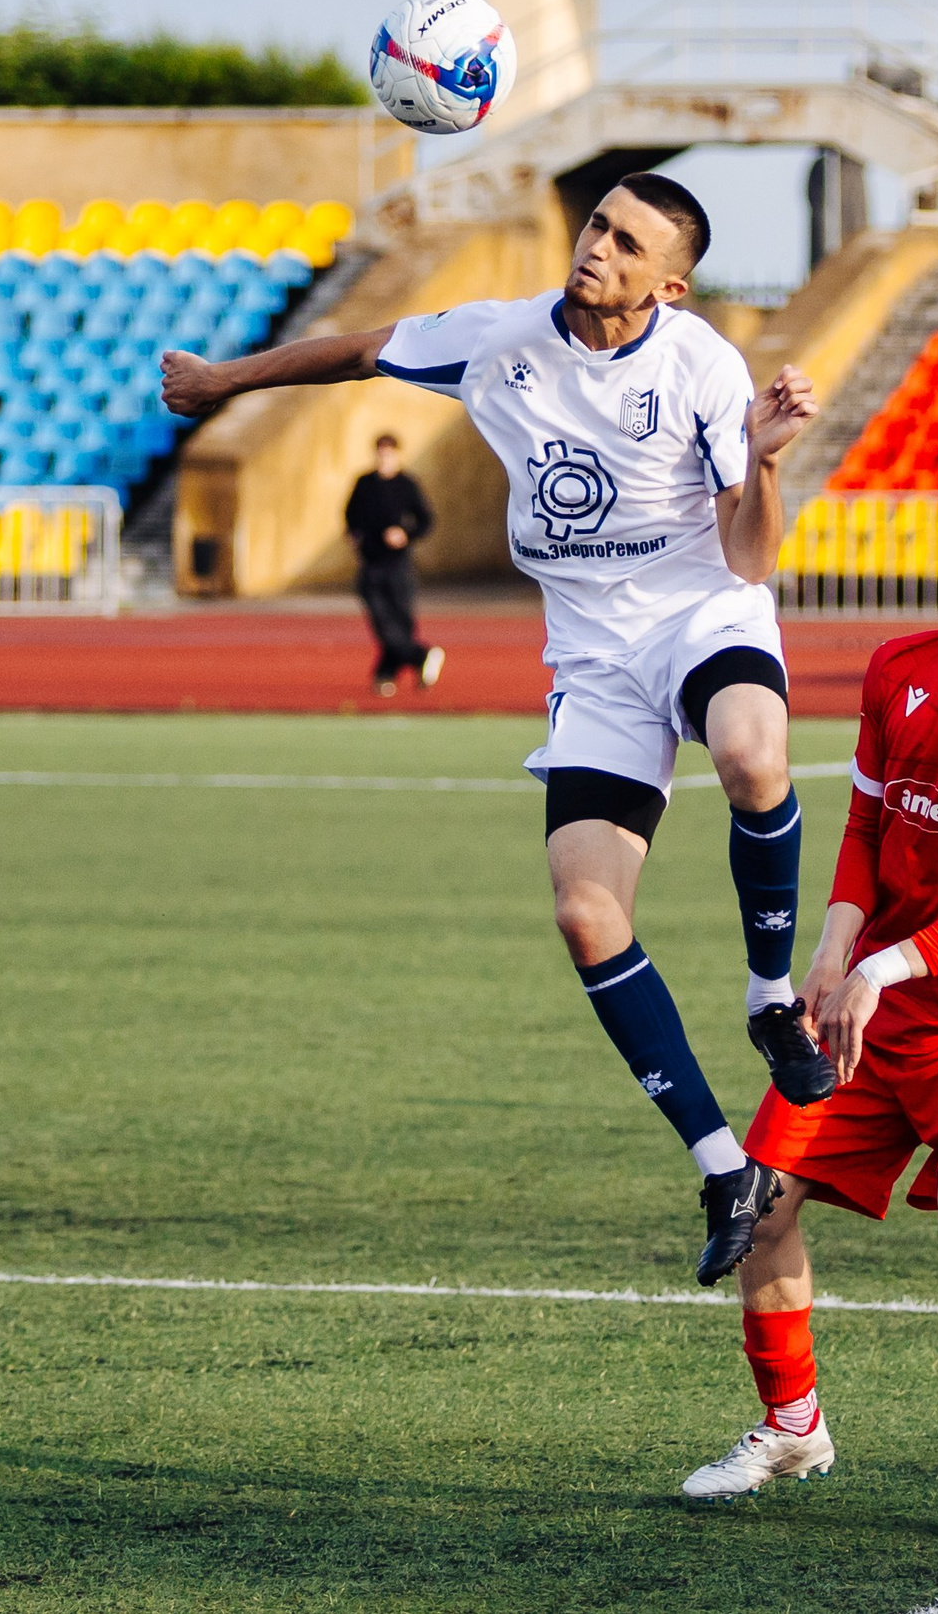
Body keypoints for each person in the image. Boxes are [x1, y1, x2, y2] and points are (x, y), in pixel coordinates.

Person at [159, 173, 834, 1285]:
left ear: (668, 285)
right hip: (595, 661)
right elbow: (358, 349)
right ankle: (725, 1169)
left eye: (629, 243)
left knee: (753, 755)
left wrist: (761, 459)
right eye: (598, 224)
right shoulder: (499, 339)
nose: (598, 246)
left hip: (701, 615)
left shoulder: (702, 366)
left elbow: (750, 558)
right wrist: (225, 380)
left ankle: (770, 998)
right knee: (585, 914)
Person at [678, 488, 938, 1544]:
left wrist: (888, 965)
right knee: (761, 1202)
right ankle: (792, 1426)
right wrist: (833, 951)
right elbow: (866, 823)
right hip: (869, 998)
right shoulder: (900, 667)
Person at [343, 432, 443, 697]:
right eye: (380, 453)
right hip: (371, 564)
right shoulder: (364, 484)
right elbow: (350, 516)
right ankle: (421, 656)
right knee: (381, 621)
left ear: (397, 455)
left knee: (402, 621)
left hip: (398, 565)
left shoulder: (407, 485)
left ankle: (385, 675)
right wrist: (354, 534)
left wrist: (405, 534)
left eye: (388, 454)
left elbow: (426, 520)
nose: (383, 459)